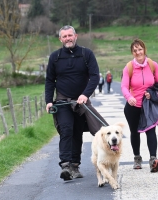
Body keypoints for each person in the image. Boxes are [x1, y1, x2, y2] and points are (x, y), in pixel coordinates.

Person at [45, 25, 100, 181]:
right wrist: (49, 101)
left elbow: (95, 76)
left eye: (70, 35)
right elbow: (50, 80)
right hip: (62, 100)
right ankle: (65, 165)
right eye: (64, 36)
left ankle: (75, 165)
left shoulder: (86, 54)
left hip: (81, 100)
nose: (68, 38)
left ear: (76, 36)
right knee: (66, 129)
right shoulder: (55, 57)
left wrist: (85, 95)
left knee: (77, 131)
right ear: (60, 39)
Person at [121, 38, 158, 173]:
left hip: (148, 105)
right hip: (133, 105)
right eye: (135, 50)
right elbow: (124, 86)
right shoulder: (129, 67)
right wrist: (129, 97)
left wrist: (152, 93)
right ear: (132, 53)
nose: (138, 52)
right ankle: (137, 158)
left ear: (144, 50)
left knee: (151, 130)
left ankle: (153, 160)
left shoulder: (152, 65)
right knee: (135, 132)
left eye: (140, 49)